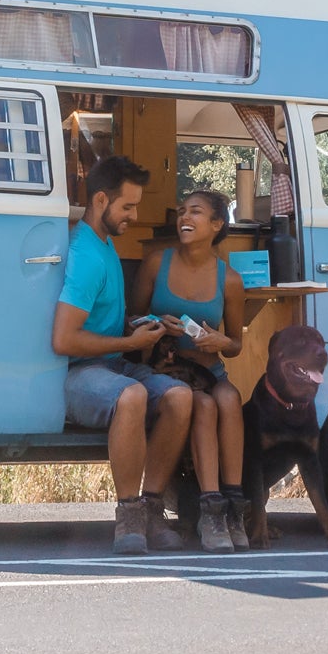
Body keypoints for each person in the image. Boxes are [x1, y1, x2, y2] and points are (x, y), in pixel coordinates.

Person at [52, 155, 194, 555]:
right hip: (79, 374)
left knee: (180, 397)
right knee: (130, 396)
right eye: (127, 207)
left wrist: (142, 322)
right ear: (101, 201)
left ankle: (151, 509)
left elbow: (102, 321)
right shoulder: (85, 256)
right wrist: (131, 345)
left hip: (113, 363)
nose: (134, 215)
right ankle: (128, 515)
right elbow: (64, 340)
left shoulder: (105, 243)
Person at [130, 189, 249, 552]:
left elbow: (236, 344)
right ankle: (211, 511)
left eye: (195, 212)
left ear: (216, 224)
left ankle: (234, 510)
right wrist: (154, 321)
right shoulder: (156, 263)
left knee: (230, 399)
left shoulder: (229, 280)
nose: (185, 218)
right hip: (167, 371)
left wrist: (219, 341)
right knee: (206, 405)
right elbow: (128, 320)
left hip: (208, 369)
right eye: (182, 211)